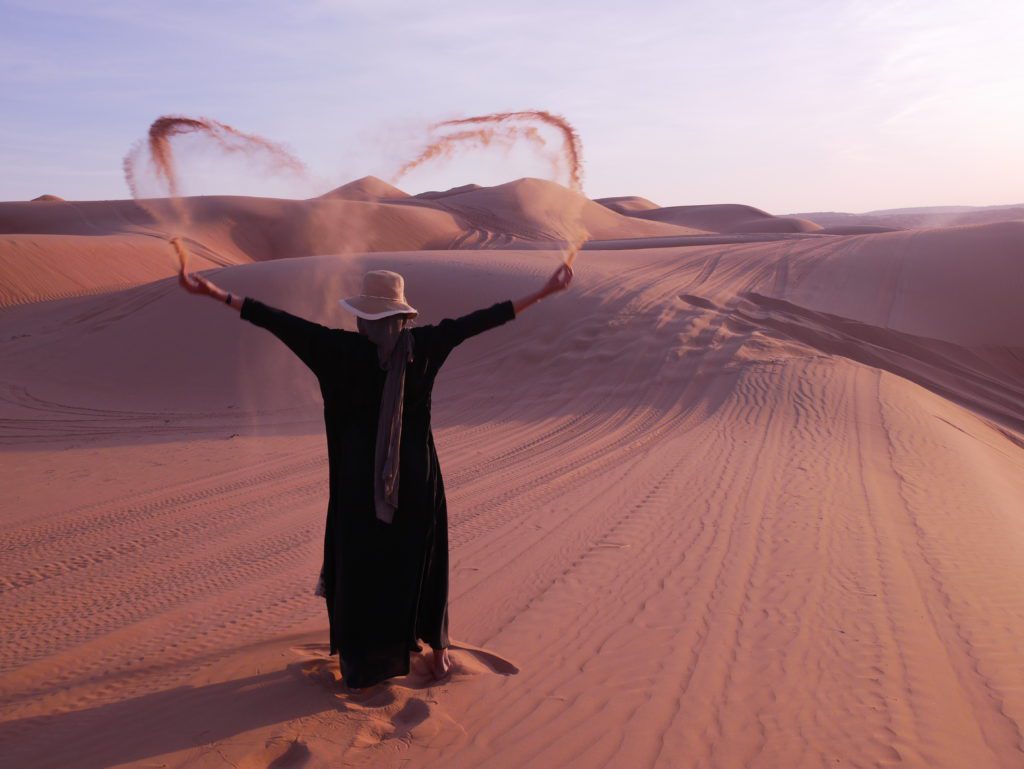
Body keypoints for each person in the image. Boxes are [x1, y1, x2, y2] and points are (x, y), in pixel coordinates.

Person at [178, 262, 573, 688]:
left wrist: (217, 294)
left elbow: (281, 323)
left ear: (364, 316)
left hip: (358, 489)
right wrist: (545, 291)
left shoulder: (338, 351)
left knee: (362, 568)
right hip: (417, 481)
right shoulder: (424, 345)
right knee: (423, 561)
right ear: (402, 316)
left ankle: (362, 664)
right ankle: (436, 651)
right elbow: (480, 321)